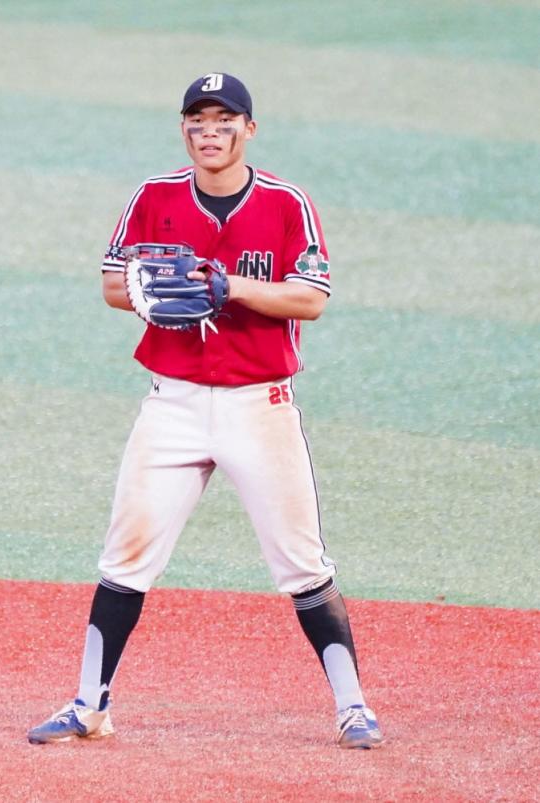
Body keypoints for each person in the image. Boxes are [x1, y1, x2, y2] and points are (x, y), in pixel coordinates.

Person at [28, 72, 382, 749]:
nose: (210, 132)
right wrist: (147, 292)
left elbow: (311, 298)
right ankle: (89, 704)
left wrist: (232, 287)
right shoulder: (154, 196)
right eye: (198, 120)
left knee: (303, 564)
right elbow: (112, 283)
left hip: (260, 406)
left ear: (249, 129)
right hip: (173, 403)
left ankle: (353, 707)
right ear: (184, 128)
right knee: (125, 557)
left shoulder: (285, 203)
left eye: (224, 121)